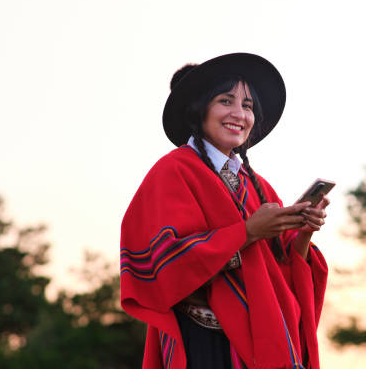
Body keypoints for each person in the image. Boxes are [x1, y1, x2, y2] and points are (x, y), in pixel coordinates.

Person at [120, 53, 330, 369]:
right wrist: (248, 232)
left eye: (247, 106)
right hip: (203, 343)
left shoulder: (258, 185)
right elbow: (164, 266)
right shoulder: (173, 171)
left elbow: (277, 271)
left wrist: (302, 233)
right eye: (226, 101)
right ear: (199, 109)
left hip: (259, 342)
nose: (239, 114)